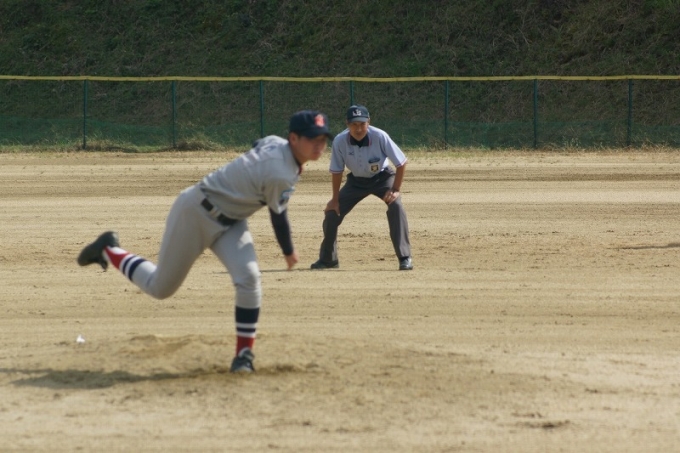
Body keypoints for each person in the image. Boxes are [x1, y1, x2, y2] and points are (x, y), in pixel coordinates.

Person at [77, 110, 333, 373]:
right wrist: (289, 252)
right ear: (293, 138)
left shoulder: (275, 143)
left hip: (232, 221)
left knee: (249, 278)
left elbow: (258, 143)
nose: (319, 145)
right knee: (160, 287)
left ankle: (243, 356)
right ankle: (108, 249)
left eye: (323, 139)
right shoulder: (279, 174)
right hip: (195, 213)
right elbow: (278, 217)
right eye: (312, 138)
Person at [310, 105, 413, 271]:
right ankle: (329, 259)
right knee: (331, 213)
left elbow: (401, 163)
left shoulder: (380, 136)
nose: (358, 129)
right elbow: (337, 172)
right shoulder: (340, 141)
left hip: (382, 178)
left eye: (362, 124)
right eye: (354, 124)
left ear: (368, 122)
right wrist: (335, 200)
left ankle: (404, 257)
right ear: (347, 124)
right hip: (356, 182)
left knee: (396, 206)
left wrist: (395, 189)